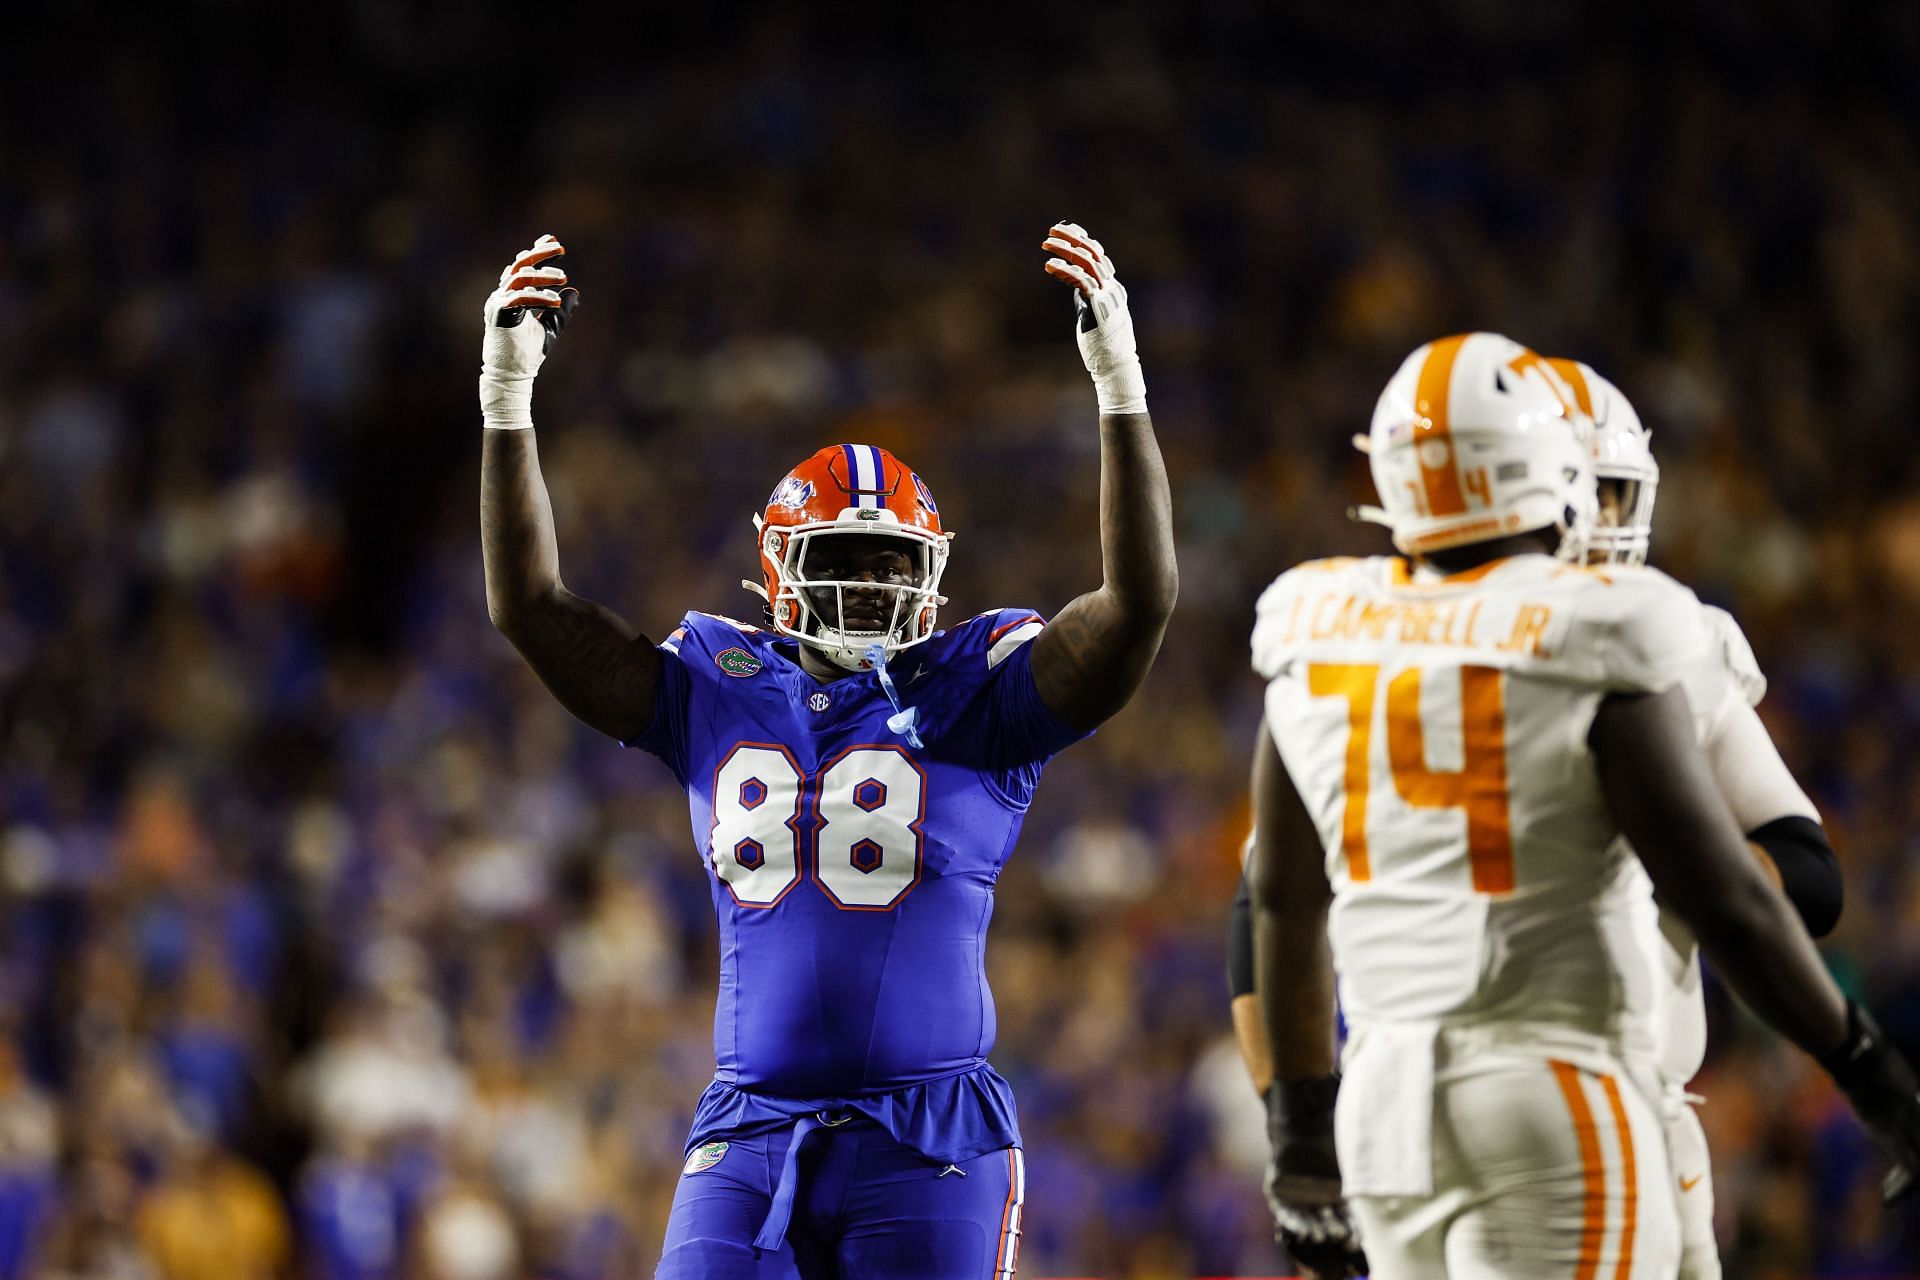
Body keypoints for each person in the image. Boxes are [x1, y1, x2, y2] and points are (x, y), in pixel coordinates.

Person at [476, 225, 1176, 1279]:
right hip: (750, 1127)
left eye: (891, 561)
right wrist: (505, 401)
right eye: (843, 559)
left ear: (934, 573)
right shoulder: (715, 683)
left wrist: (1119, 387)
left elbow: (1136, 607)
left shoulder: (979, 689)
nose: (871, 586)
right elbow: (530, 605)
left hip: (928, 1135)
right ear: (778, 566)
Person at [1245, 331, 1920, 1279]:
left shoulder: (1319, 629)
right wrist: (1874, 1074)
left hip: (1384, 1108)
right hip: (1558, 1085)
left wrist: (1300, 1136)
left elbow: (1275, 904)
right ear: (1548, 472)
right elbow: (1734, 897)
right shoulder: (1602, 633)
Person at [1549, 357, 1843, 1279]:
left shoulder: (1678, 639)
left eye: (1613, 492)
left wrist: (1703, 879)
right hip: (1502, 1124)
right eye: (1579, 491)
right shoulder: (1410, 647)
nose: (1602, 520)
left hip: (1652, 1119)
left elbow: (1809, 872)